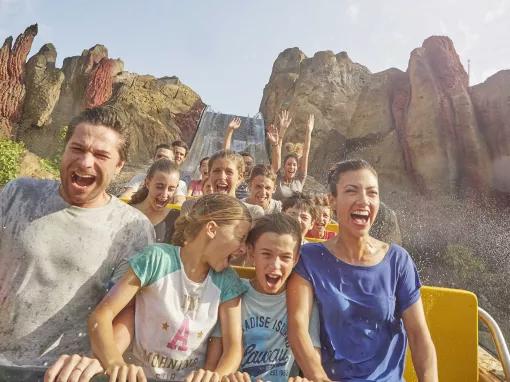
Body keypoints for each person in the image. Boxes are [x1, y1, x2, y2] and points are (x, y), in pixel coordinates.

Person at [0, 105, 155, 369]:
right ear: (65, 149)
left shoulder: (132, 228)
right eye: (78, 149)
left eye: (101, 155)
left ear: (119, 166)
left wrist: (100, 362)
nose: (85, 162)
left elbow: (129, 312)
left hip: (64, 371)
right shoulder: (19, 194)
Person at [287, 159, 438, 382]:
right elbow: (298, 329)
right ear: (332, 201)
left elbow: (419, 335)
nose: (364, 201)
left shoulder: (397, 261)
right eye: (351, 191)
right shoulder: (310, 259)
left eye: (372, 193)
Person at [88, 194, 251, 381]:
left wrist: (215, 377)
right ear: (212, 229)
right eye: (241, 237)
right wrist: (116, 364)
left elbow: (233, 348)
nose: (243, 249)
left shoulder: (228, 281)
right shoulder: (156, 259)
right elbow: (101, 316)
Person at [204, 213, 321, 382]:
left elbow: (313, 363)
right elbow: (212, 364)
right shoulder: (233, 292)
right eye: (266, 254)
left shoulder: (304, 302)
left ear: (295, 259)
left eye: (285, 257)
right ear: (251, 254)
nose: (275, 265)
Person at [180, 150, 264, 221]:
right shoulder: (191, 207)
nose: (222, 177)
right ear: (209, 174)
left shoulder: (253, 213)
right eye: (217, 171)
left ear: (240, 177)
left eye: (229, 172)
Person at [129, 159, 181, 243]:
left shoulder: (177, 219)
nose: (164, 194)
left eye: (171, 189)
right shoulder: (127, 212)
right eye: (159, 187)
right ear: (147, 183)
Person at [121, 140, 189, 204]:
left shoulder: (180, 184)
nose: (161, 159)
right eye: (159, 156)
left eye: (166, 158)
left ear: (172, 161)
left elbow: (180, 202)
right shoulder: (139, 178)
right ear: (154, 157)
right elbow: (126, 196)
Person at [267, 111, 314, 201]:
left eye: (294, 165)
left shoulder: (299, 180)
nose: (291, 167)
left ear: (297, 167)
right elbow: (277, 155)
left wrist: (309, 131)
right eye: (289, 164)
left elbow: (306, 153)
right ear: (284, 166)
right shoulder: (277, 178)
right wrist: (282, 130)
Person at [222, 116, 255, 199]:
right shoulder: (233, 178)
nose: (246, 166)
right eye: (244, 163)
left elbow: (275, 168)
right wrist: (230, 130)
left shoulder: (255, 179)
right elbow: (225, 154)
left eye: (249, 163)